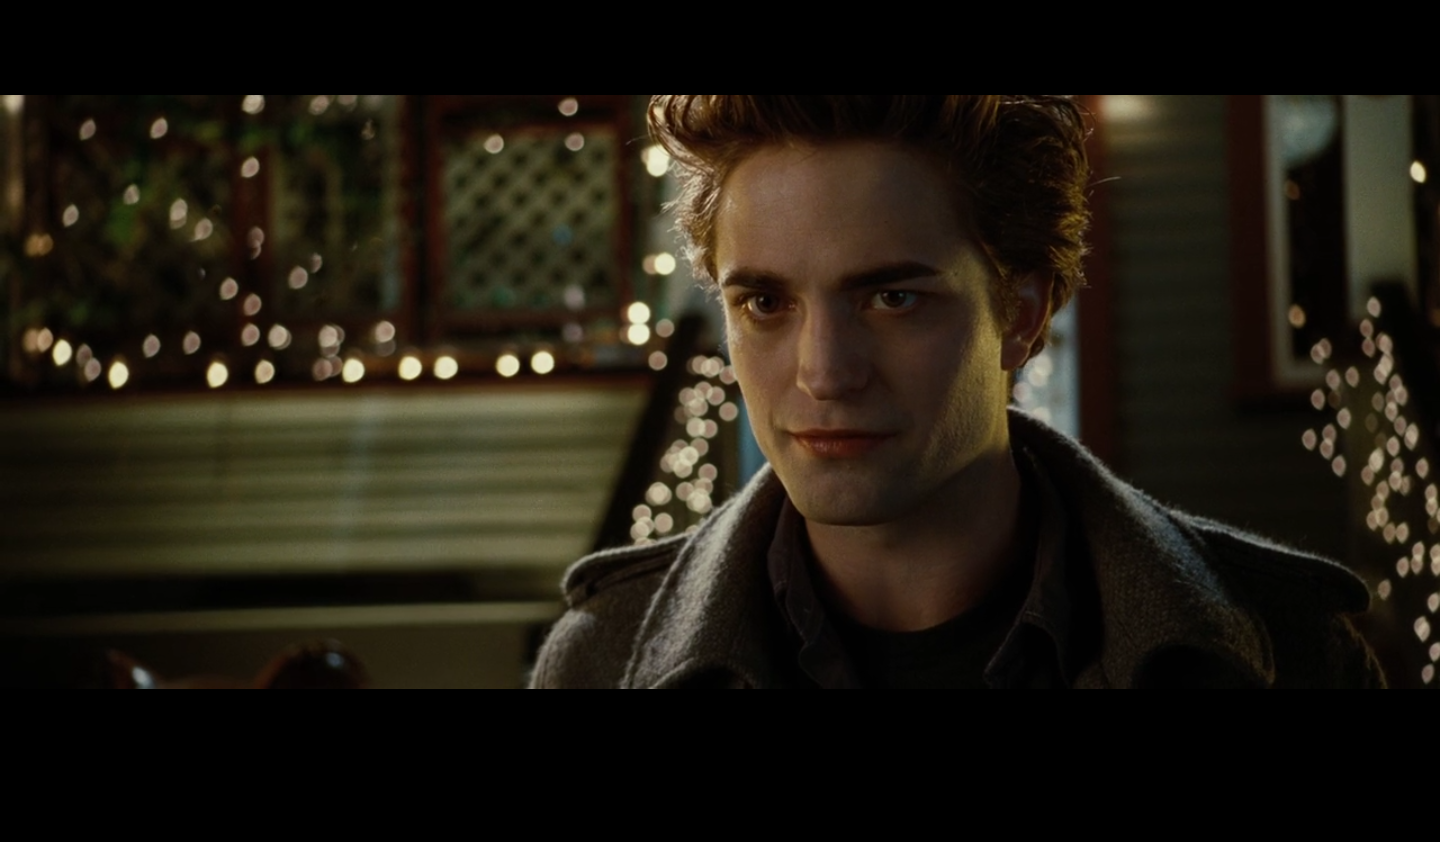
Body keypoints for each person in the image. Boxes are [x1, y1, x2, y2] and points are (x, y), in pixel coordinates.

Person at [531, 95, 1385, 689]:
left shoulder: (1285, 650)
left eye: (892, 298)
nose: (824, 372)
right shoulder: (605, 659)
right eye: (765, 303)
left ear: (1021, 315)